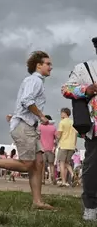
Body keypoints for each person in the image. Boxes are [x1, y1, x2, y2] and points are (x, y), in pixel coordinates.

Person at [0, 51, 54, 210]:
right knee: (27, 164)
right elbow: (26, 100)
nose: (51, 67)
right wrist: (41, 115)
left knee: (39, 163)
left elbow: (22, 101)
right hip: (24, 126)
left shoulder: (33, 81)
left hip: (29, 125)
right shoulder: (35, 80)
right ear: (38, 65)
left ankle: (37, 202)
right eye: (48, 64)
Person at [61, 38, 97, 220]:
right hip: (96, 128)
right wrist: (87, 89)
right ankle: (91, 206)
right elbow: (66, 89)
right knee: (93, 167)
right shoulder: (85, 68)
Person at [56, 107, 77, 187]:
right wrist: (74, 145)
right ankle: (72, 174)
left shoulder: (62, 122)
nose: (61, 114)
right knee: (67, 163)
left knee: (61, 163)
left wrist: (56, 141)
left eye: (61, 112)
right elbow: (75, 135)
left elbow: (59, 134)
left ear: (65, 113)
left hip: (63, 145)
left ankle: (64, 182)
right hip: (71, 146)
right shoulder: (73, 122)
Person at [38, 114, 56, 185]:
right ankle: (52, 177)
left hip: (42, 149)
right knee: (51, 165)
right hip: (51, 149)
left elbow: (37, 136)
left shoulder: (40, 127)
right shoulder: (53, 128)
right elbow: (56, 137)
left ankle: (42, 180)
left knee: (42, 165)